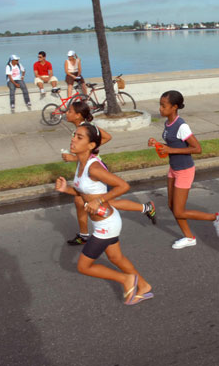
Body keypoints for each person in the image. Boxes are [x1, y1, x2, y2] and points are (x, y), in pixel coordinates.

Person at [55, 123, 153, 305]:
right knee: (116, 258)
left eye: (79, 137)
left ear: (91, 145)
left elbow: (123, 186)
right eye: (74, 135)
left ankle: (126, 280)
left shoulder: (94, 168)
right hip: (103, 222)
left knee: (83, 266)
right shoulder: (81, 164)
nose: (73, 139)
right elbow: (85, 193)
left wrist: (99, 201)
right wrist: (66, 189)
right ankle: (144, 286)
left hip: (106, 225)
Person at [62, 101, 157, 246]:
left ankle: (145, 208)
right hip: (86, 167)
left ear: (78, 115)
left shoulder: (88, 128)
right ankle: (84, 235)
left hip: (95, 170)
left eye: (69, 111)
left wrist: (86, 151)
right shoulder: (80, 129)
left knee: (107, 202)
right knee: (80, 201)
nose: (66, 113)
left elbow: (107, 137)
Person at [147, 90, 219, 249]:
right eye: (160, 105)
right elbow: (173, 145)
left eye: (163, 106)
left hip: (184, 171)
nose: (160, 109)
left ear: (174, 107)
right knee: (171, 205)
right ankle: (189, 237)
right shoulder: (167, 123)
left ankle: (215, 217)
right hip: (173, 168)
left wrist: (170, 150)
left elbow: (197, 148)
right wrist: (158, 144)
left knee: (179, 211)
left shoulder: (181, 125)